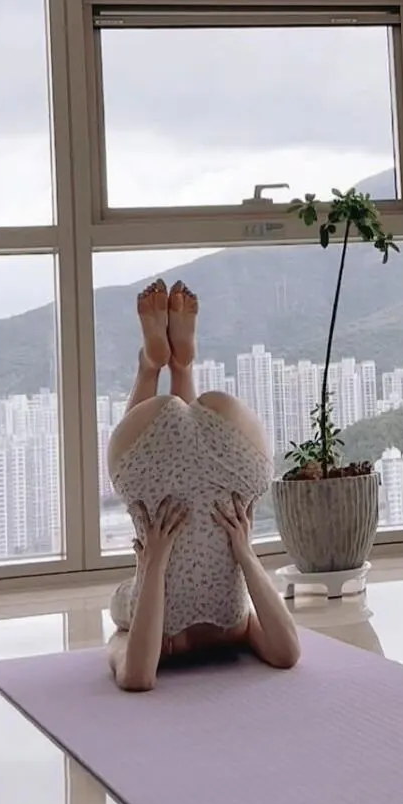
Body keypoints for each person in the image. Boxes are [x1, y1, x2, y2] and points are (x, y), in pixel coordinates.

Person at [106, 278, 301, 691]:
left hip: (235, 452)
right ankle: (168, 366)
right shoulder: (238, 624)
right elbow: (287, 652)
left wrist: (154, 564)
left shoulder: (146, 631)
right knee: (148, 483)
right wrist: (244, 552)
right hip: (219, 452)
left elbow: (139, 675)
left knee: (155, 482)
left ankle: (160, 364)